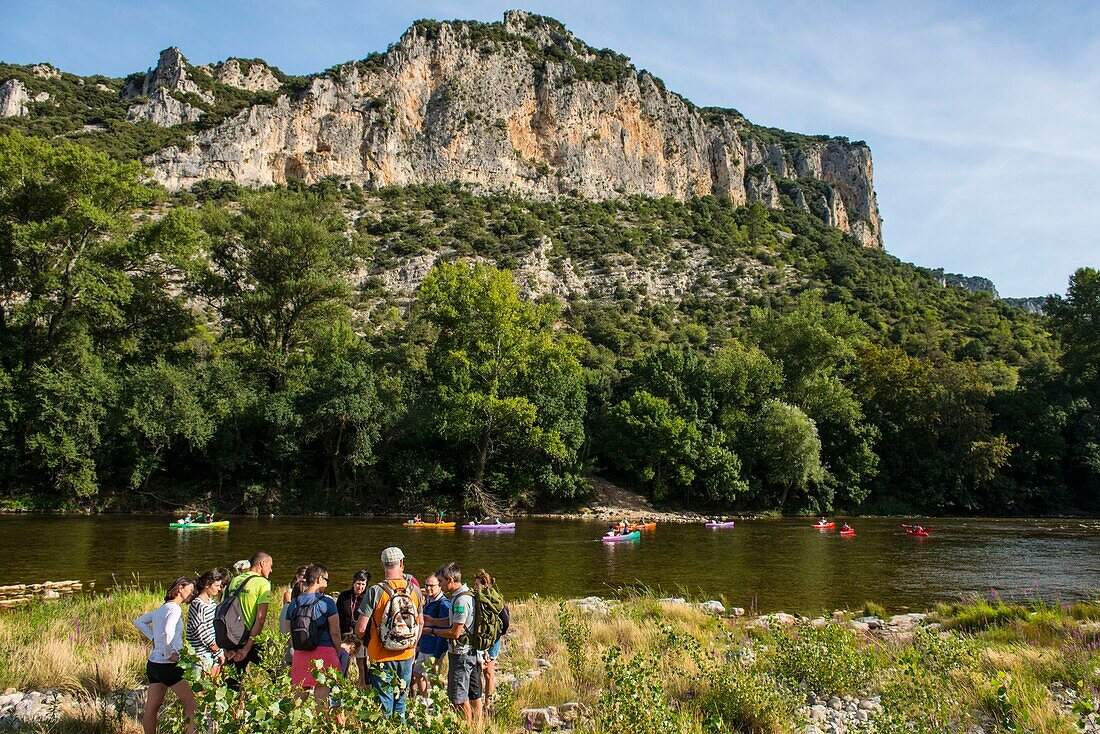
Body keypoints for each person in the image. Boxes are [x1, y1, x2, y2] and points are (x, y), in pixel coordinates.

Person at [356, 547, 423, 718]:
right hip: (406, 653)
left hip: (381, 656)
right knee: (401, 701)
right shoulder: (414, 590)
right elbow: (420, 622)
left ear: (382, 565)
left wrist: (359, 639)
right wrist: (413, 646)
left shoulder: (375, 591)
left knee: (384, 703)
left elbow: (361, 629)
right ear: (401, 563)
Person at [134, 577, 197, 734]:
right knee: (192, 704)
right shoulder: (174, 609)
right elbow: (169, 631)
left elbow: (139, 621)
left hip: (154, 665)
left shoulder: (162, 609)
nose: (192, 594)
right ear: (180, 588)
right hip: (169, 666)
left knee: (152, 708)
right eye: (190, 590)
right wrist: (168, 653)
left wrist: (154, 639)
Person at [426, 562, 482, 727]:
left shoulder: (460, 601)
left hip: (461, 654)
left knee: (458, 697)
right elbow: (455, 622)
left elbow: (455, 632)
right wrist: (434, 621)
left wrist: (433, 631)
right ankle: (476, 727)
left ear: (450, 580)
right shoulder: (466, 594)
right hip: (471, 652)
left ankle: (466, 727)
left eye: (441, 582)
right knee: (473, 694)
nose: (441, 586)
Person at [285, 564, 342, 706]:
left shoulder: (294, 603)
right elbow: (335, 632)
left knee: (299, 692)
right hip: (325, 651)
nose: (327, 584)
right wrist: (338, 651)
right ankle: (322, 724)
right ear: (319, 579)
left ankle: (293, 724)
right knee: (322, 691)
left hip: (300, 652)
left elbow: (288, 631)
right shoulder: (327, 602)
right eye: (326, 580)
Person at [223, 552, 273, 688]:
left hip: (232, 638)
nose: (271, 570)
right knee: (277, 670)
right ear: (262, 563)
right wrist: (246, 649)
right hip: (251, 638)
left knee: (233, 682)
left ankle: (234, 708)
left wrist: (227, 647)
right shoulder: (263, 583)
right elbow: (260, 619)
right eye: (270, 566)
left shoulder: (234, 581)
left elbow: (222, 611)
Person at [473, 570, 509, 705]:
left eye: (477, 584)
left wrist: (496, 635)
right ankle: (481, 702)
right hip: (483, 639)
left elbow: (505, 620)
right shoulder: (477, 599)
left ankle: (488, 703)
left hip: (493, 639)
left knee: (487, 671)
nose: (475, 587)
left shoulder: (493, 601)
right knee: (480, 672)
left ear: (484, 585)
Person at [412, 573, 451, 698]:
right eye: (426, 585)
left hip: (434, 649)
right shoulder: (428, 601)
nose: (428, 588)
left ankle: (438, 701)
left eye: (432, 586)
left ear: (440, 586)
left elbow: (444, 632)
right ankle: (425, 699)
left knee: (434, 678)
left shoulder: (443, 605)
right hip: (424, 647)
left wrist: (437, 654)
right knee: (418, 672)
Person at [186, 569, 226, 678]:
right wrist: (217, 651)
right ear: (207, 585)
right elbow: (201, 631)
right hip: (201, 654)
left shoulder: (211, 603)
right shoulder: (198, 604)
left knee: (212, 686)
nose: (219, 589)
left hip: (212, 653)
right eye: (216, 585)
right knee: (201, 690)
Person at [336, 569, 370, 685]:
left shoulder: (367, 599)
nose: (360, 587)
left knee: (361, 663)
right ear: (353, 583)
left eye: (363, 584)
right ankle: (341, 684)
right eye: (358, 584)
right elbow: (337, 615)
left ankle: (363, 685)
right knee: (343, 661)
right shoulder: (344, 596)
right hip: (344, 635)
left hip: (360, 636)